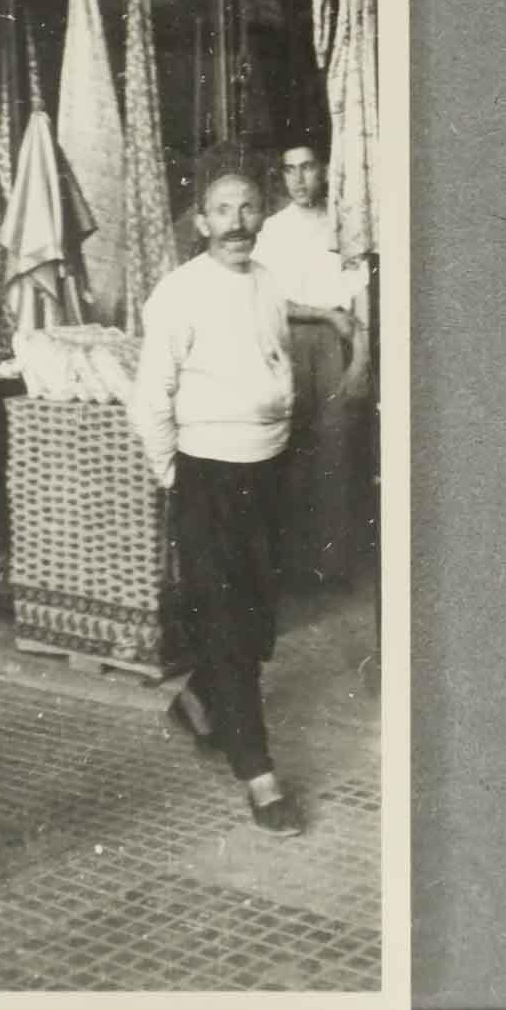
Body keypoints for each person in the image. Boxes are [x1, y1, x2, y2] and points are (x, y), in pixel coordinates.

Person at [129, 145, 348, 836]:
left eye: (247, 207)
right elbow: (148, 399)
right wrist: (177, 475)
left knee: (255, 622)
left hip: (265, 472)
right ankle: (258, 772)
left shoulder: (267, 281)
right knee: (227, 624)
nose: (236, 221)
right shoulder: (178, 292)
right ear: (199, 222)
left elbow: (273, 358)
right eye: (221, 210)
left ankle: (197, 701)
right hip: (207, 477)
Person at [253, 136, 371, 585]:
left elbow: (360, 300)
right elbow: (270, 301)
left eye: (307, 167)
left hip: (336, 346)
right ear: (281, 176)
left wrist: (360, 361)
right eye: (290, 169)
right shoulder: (273, 230)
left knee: (336, 454)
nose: (299, 179)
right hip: (290, 341)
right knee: (289, 452)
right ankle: (294, 570)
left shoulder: (343, 226)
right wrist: (324, 313)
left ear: (323, 170)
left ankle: (333, 569)